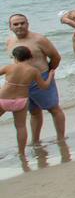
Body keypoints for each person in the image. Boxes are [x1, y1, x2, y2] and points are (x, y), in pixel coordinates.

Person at [5, 13, 66, 142]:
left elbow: (56, 57)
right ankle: (35, 141)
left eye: (22, 23)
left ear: (27, 24)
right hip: (23, 84)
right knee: (34, 112)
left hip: (41, 78)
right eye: (16, 24)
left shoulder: (39, 39)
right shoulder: (10, 41)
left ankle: (61, 138)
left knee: (53, 108)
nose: (19, 26)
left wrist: (49, 72)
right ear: (10, 27)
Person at [0, 46, 56, 153]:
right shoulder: (34, 71)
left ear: (15, 57)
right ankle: (21, 153)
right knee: (20, 126)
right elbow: (44, 86)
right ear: (30, 57)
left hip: (3, 99)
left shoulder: (9, 67)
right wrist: (50, 76)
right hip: (21, 101)